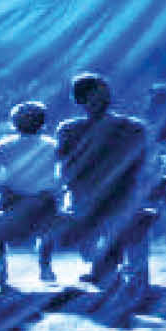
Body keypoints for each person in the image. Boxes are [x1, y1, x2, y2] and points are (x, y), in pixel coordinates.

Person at [56, 73, 150, 287]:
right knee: (89, 236)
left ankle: (117, 270)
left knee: (121, 220)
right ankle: (104, 266)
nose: (104, 99)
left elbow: (140, 164)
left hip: (121, 193)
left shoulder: (132, 127)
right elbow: (65, 165)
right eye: (96, 95)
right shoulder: (69, 129)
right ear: (80, 99)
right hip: (86, 195)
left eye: (105, 94)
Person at [0, 102, 61, 286]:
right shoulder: (53, 146)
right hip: (43, 199)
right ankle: (45, 266)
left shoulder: (2, 146)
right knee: (46, 231)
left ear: (14, 123)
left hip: (14, 199)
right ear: (43, 123)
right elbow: (58, 176)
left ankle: (1, 267)